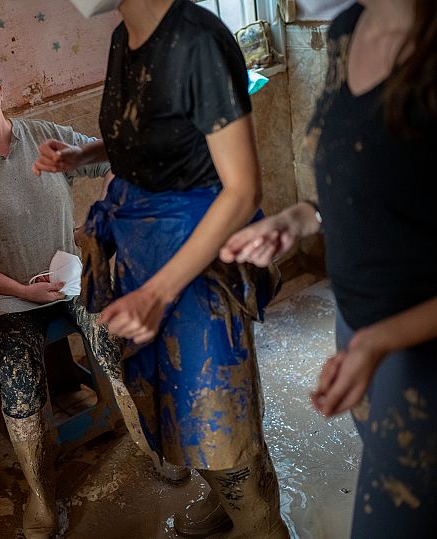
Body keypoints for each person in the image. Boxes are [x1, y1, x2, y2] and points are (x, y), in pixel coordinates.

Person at [36, 0, 288, 537]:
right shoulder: (124, 37)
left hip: (197, 257)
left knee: (221, 417)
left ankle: (260, 523)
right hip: (141, 248)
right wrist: (82, 157)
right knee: (174, 407)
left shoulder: (197, 41)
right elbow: (154, 137)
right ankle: (224, 501)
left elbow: (242, 190)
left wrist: (159, 293)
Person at [0, 52, 186, 539]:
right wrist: (20, 292)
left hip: (66, 274)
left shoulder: (37, 134)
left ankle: (151, 445)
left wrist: (113, 196)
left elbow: (110, 155)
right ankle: (42, 498)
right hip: (5, 296)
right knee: (18, 371)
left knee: (118, 335)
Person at [221, 1, 437, 536]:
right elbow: (369, 175)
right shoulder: (349, 29)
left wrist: (379, 340)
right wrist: (302, 217)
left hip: (417, 351)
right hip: (361, 325)